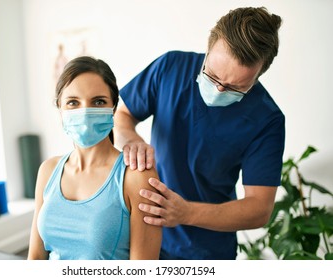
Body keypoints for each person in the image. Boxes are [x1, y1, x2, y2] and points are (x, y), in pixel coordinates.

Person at [114, 7, 285, 260]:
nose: (217, 89)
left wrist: (185, 213)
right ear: (209, 47)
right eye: (212, 74)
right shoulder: (170, 68)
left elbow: (259, 209)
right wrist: (130, 140)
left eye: (234, 88)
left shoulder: (267, 119)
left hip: (206, 252)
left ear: (258, 76)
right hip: (143, 238)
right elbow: (121, 114)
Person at [27, 56, 162, 260]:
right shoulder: (47, 171)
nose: (85, 112)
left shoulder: (136, 176)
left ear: (113, 108)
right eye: (73, 102)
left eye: (98, 102)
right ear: (60, 109)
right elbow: (36, 258)